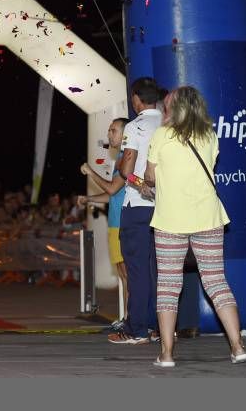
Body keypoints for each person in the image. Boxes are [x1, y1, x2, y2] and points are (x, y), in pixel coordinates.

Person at [145, 86, 246, 367]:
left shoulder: (161, 135)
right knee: (216, 281)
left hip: (171, 220)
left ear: (173, 109)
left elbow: (150, 176)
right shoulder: (209, 135)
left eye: (167, 107)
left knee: (168, 284)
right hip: (207, 218)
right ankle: (238, 347)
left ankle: (166, 354)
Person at [107, 77, 162, 345]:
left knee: (137, 270)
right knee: (154, 270)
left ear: (136, 98)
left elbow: (127, 170)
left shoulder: (136, 125)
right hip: (162, 208)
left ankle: (136, 329)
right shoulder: (166, 123)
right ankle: (152, 326)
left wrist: (124, 170)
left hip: (137, 207)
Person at [80, 117, 129, 330]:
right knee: (122, 274)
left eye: (114, 130)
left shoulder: (127, 158)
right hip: (114, 224)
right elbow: (112, 195)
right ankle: (128, 318)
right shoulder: (119, 157)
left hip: (123, 224)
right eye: (109, 130)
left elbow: (112, 188)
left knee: (127, 274)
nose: (110, 134)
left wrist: (91, 172)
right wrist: (90, 199)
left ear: (125, 135)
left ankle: (131, 320)